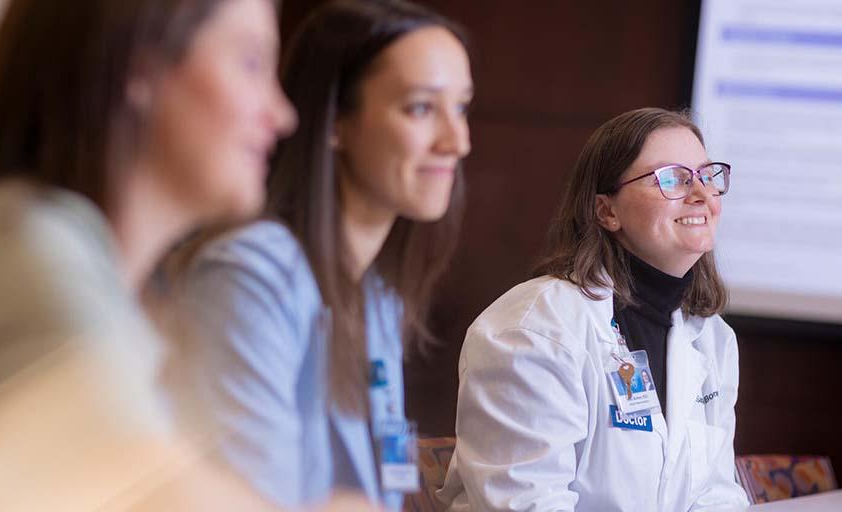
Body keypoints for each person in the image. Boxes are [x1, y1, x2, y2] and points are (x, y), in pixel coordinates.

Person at [0, 0, 301, 508]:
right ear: (140, 64)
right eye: (251, 64)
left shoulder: (88, 277)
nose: (281, 116)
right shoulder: (12, 242)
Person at [167, 0, 472, 509]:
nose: (456, 141)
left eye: (462, 107)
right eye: (421, 108)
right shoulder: (249, 277)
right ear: (333, 121)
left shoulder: (377, 295)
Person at [440, 108, 749, 511]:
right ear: (607, 211)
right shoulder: (533, 328)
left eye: (707, 175)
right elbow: (529, 503)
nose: (702, 195)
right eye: (672, 178)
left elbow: (717, 494)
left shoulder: (712, 337)